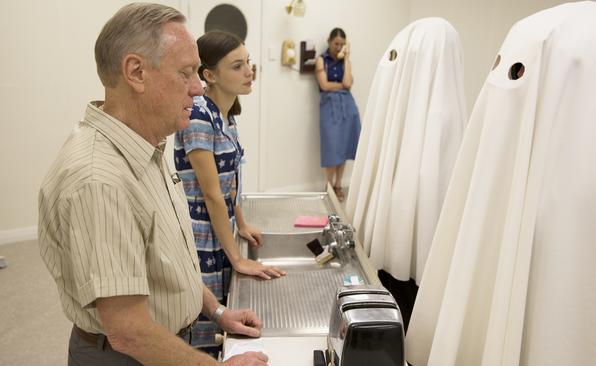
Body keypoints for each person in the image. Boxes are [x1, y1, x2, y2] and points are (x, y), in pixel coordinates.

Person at [38, 4, 268, 365]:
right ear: (136, 72)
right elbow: (129, 331)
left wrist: (218, 312)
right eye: (186, 73)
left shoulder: (147, 147)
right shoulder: (101, 180)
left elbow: (170, 265)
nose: (198, 87)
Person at [174, 29, 285, 356]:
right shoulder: (197, 115)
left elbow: (229, 181)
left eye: (248, 62)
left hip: (221, 227)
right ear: (209, 75)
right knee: (205, 336)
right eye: (237, 66)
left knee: (226, 322)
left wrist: (242, 221)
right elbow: (210, 194)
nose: (249, 71)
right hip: (201, 237)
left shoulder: (226, 115)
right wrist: (237, 258)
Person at [315, 27, 361, 201]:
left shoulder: (345, 61)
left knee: (344, 146)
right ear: (329, 41)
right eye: (336, 43)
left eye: (342, 44)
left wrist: (347, 58)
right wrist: (340, 85)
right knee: (331, 146)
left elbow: (348, 83)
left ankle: (338, 184)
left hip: (347, 106)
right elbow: (324, 85)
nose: (338, 47)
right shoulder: (321, 60)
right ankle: (328, 186)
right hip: (329, 105)